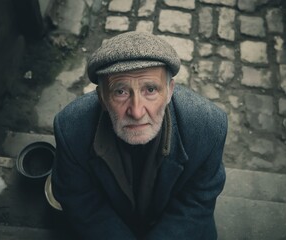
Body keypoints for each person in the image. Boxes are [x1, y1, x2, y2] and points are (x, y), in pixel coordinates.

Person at [51, 31, 228, 239]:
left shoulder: (208, 127)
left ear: (170, 91)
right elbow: (80, 200)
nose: (136, 112)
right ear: (102, 97)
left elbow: (197, 202)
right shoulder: (70, 129)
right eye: (121, 92)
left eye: (150, 90)